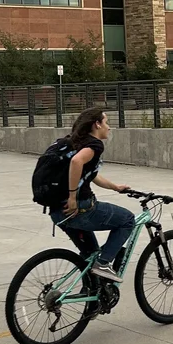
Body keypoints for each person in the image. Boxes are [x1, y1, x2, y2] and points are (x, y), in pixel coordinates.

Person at [50, 106, 135, 281]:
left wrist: (115, 187)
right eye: (106, 122)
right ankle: (104, 264)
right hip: (78, 208)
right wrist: (73, 196)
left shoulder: (74, 142)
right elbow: (76, 162)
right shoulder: (94, 144)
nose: (109, 127)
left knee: (90, 255)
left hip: (58, 211)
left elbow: (90, 175)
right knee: (127, 220)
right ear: (97, 124)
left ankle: (91, 300)